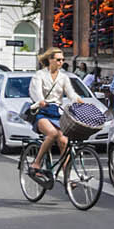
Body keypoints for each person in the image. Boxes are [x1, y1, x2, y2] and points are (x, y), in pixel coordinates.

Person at [28, 47, 88, 175]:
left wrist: (78, 100)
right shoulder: (40, 75)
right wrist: (41, 100)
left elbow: (71, 93)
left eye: (63, 60)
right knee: (52, 133)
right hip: (42, 111)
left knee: (64, 142)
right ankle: (36, 163)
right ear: (50, 60)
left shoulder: (63, 77)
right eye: (58, 59)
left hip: (57, 112)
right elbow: (36, 92)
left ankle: (67, 175)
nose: (61, 62)